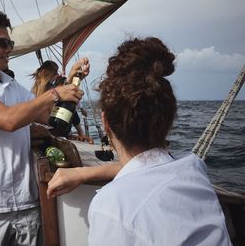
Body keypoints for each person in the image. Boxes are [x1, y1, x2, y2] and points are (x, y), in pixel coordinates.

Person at [47, 37, 231, 245]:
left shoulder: (112, 206)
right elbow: (147, 167)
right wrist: (85, 172)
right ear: (168, 120)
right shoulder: (193, 168)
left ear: (105, 122)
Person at [0, 10, 89, 245]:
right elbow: (8, 120)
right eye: (2, 43)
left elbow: (50, 118)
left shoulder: (14, 87)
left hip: (27, 206)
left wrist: (71, 82)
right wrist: (55, 92)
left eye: (10, 42)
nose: (9, 49)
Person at [30, 63, 92, 143]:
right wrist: (76, 78)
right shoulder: (52, 90)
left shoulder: (33, 91)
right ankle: (81, 133)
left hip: (41, 131)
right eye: (56, 73)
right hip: (55, 130)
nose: (57, 75)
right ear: (49, 74)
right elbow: (68, 97)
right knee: (69, 105)